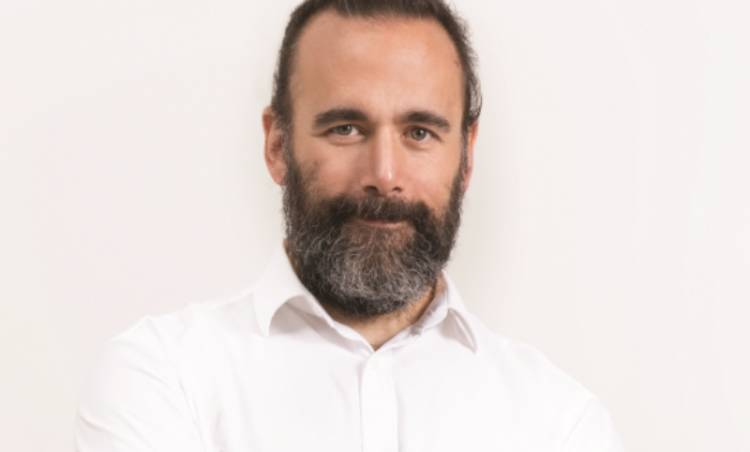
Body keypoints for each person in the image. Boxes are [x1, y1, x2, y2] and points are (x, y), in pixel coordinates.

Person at [75, 1, 625, 451]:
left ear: (467, 156)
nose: (384, 176)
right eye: (345, 128)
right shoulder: (163, 377)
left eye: (420, 133)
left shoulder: (559, 422)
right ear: (277, 145)